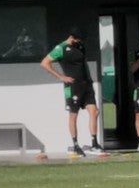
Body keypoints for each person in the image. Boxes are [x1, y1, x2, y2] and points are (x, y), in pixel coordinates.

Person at [40, 27, 102, 157]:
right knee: (73, 115)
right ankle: (75, 145)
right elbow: (45, 63)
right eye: (79, 39)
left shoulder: (80, 47)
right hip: (73, 86)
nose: (80, 42)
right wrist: (61, 77)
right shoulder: (61, 48)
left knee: (94, 112)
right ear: (72, 38)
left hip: (86, 84)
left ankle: (94, 143)